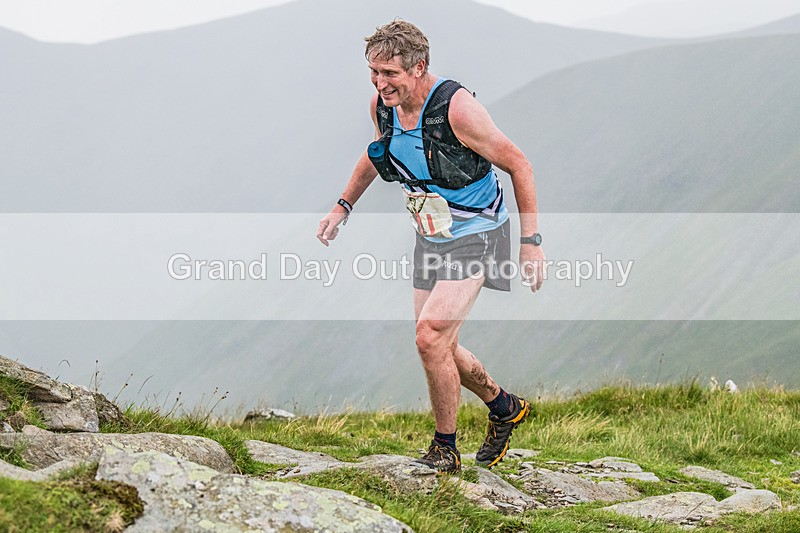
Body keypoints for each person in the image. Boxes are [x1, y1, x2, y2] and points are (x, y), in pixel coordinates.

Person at [316, 20, 545, 474]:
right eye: (373, 73)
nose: (381, 83)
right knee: (437, 342)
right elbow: (375, 153)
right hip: (431, 233)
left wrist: (531, 243)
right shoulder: (384, 108)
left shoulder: (457, 110)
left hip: (479, 232)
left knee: (429, 337)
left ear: (419, 68)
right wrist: (343, 205)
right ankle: (504, 406)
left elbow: (519, 164)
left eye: (390, 74)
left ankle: (445, 449)